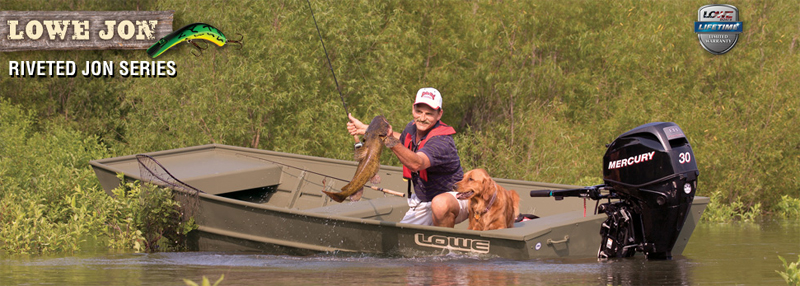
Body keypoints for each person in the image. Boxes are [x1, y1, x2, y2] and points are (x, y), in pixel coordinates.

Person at [346, 87, 468, 227]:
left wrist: (388, 140)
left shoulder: (442, 141)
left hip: (456, 197)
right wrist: (368, 129)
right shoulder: (412, 127)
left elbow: (417, 163)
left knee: (440, 204)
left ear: (439, 114)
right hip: (424, 201)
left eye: (429, 114)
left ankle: (446, 247)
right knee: (400, 244)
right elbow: (403, 139)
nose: (422, 118)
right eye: (419, 112)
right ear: (413, 109)